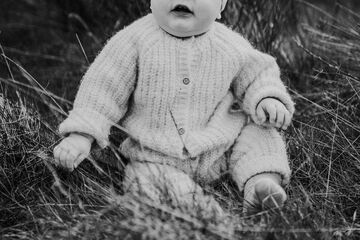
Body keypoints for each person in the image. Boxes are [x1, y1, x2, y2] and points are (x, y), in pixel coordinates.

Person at [53, 0, 295, 214]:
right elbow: (103, 87)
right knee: (146, 183)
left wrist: (267, 98)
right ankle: (197, 210)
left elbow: (257, 75)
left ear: (221, 5)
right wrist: (82, 134)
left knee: (260, 132)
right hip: (155, 157)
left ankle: (261, 183)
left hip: (221, 148)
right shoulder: (135, 41)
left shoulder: (230, 45)